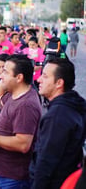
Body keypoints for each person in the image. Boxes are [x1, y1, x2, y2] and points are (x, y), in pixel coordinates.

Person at [0, 54, 42, 188]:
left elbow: (23, 144)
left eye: (5, 72)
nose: (0, 76)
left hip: (15, 178)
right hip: (7, 175)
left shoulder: (26, 105)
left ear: (19, 78)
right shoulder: (14, 95)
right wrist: (6, 79)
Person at [29, 58, 86, 188]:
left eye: (45, 76)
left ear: (59, 83)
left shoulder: (57, 116)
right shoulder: (75, 104)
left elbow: (46, 162)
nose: (39, 80)